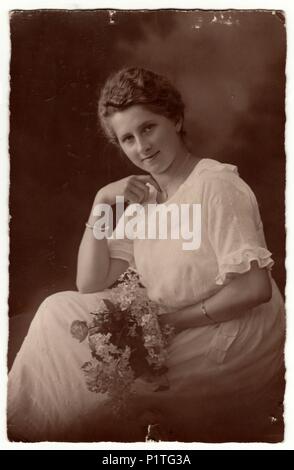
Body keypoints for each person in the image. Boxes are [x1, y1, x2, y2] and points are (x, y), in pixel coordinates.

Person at [7, 67, 285, 442]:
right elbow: (90, 281)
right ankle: (12, 430)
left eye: (148, 128)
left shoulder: (215, 185)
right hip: (172, 326)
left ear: (176, 118)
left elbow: (255, 288)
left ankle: (23, 435)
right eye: (127, 139)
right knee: (58, 311)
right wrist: (101, 202)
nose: (142, 147)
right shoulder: (145, 201)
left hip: (232, 336)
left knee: (95, 379)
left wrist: (171, 322)